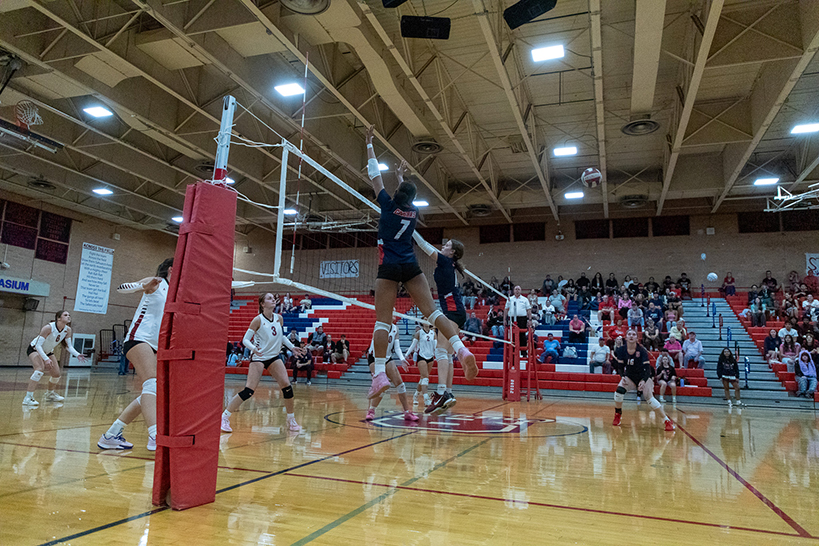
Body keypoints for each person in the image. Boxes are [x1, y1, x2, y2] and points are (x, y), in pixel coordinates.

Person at [364, 126, 476, 403]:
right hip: (411, 266)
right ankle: (461, 350)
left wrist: (369, 144)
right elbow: (403, 194)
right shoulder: (413, 212)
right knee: (434, 314)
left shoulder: (388, 206)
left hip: (389, 267)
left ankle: (379, 374)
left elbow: (374, 176)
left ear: (397, 192)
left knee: (382, 321)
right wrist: (401, 178)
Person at [97, 258, 171, 451]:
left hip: (155, 345)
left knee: (151, 393)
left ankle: (111, 435)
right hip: (138, 338)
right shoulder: (158, 282)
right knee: (152, 384)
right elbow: (122, 288)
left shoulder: (175, 292)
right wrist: (141, 285)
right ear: (172, 269)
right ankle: (155, 435)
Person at [220, 292, 305, 434]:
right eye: (270, 298)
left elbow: (281, 336)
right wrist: (254, 349)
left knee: (287, 386)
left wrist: (292, 347)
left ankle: (291, 420)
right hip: (259, 357)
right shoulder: (257, 320)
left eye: (273, 298)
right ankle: (225, 417)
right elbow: (245, 340)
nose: (273, 300)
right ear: (262, 304)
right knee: (249, 391)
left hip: (273, 356)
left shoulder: (279, 318)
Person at [415, 236, 470, 414]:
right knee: (447, 352)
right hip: (456, 311)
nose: (443, 247)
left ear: (452, 252)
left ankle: (440, 393)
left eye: (446, 245)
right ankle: (448, 392)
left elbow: (424, 245)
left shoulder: (446, 261)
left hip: (452, 312)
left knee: (440, 351)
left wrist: (411, 230)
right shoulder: (449, 264)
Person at [611, 329, 675, 431]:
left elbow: (647, 369)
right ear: (626, 337)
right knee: (619, 391)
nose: (631, 336)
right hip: (630, 376)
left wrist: (644, 380)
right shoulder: (621, 350)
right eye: (629, 334)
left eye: (633, 334)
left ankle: (666, 420)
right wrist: (622, 376)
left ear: (637, 338)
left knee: (649, 399)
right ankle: (618, 413)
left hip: (644, 376)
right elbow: (620, 367)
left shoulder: (642, 351)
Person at [23, 310, 87, 407]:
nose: (68, 316)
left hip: (47, 351)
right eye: (65, 315)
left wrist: (77, 354)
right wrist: (46, 359)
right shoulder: (48, 327)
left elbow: (68, 346)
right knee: (39, 370)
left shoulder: (67, 330)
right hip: (35, 348)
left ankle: (50, 394)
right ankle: (28, 398)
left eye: (69, 315)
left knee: (56, 374)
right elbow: (38, 345)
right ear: (59, 318)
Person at [365, 317, 418, 420]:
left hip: (387, 357)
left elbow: (397, 347)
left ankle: (407, 412)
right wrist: (379, 367)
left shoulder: (395, 328)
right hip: (375, 358)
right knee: (381, 386)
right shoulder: (379, 326)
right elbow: (374, 344)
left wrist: (402, 359)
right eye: (392, 311)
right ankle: (371, 410)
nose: (394, 313)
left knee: (400, 384)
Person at [406, 323, 436, 408]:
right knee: (425, 377)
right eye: (425, 319)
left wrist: (437, 355)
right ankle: (426, 399)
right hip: (421, 356)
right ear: (422, 322)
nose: (427, 321)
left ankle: (416, 395)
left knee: (423, 378)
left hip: (431, 357)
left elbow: (435, 346)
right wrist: (406, 355)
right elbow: (413, 345)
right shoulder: (419, 333)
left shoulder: (433, 333)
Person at [504, 285, 532, 355]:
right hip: (512, 319)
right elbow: (506, 309)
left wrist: (530, 320)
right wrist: (504, 319)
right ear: (513, 291)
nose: (517, 291)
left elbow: (528, 310)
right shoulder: (510, 299)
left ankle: (523, 351)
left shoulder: (525, 299)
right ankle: (513, 354)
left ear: (521, 291)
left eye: (518, 289)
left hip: (522, 319)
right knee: (512, 335)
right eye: (516, 289)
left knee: (522, 334)